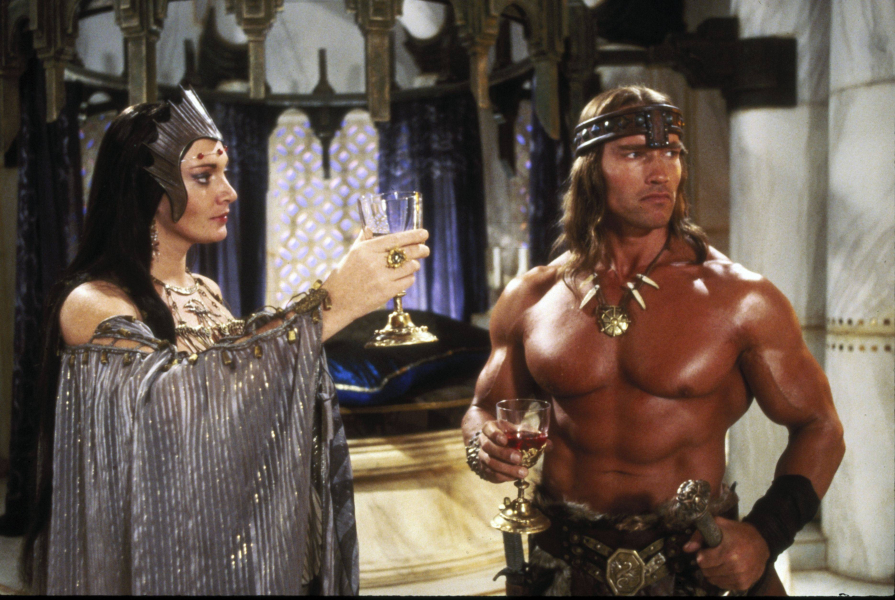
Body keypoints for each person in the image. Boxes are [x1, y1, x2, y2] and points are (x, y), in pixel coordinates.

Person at [21, 87, 429, 594]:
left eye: (225, 172)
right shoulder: (94, 302)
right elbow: (174, 409)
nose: (229, 192)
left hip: (218, 545)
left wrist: (329, 308)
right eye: (204, 176)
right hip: (151, 559)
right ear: (146, 188)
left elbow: (240, 400)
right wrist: (328, 304)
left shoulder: (206, 291)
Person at [462, 85, 845, 596]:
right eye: (635, 153)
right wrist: (482, 444)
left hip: (692, 564)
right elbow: (483, 409)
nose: (661, 171)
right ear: (591, 169)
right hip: (562, 564)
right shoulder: (532, 297)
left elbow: (820, 426)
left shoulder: (741, 299)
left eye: (671, 153)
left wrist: (764, 534)